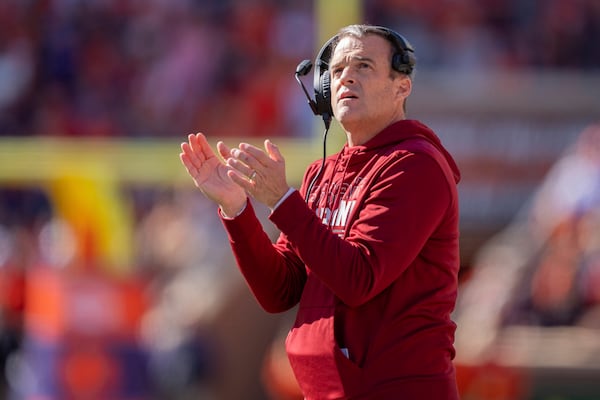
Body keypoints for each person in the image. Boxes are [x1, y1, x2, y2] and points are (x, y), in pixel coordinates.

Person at [180, 24, 461, 400]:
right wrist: (236, 209)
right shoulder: (322, 172)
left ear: (401, 87)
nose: (346, 77)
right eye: (338, 69)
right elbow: (280, 291)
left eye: (364, 66)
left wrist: (282, 201)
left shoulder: (414, 165)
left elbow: (359, 278)